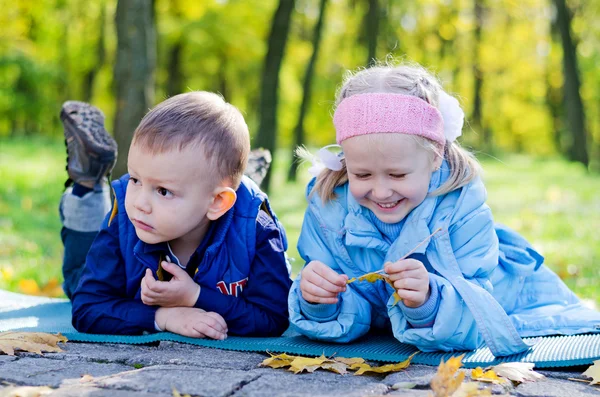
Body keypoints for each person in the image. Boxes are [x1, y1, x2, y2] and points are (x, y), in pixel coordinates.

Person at [288, 64, 600, 357]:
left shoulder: (462, 207)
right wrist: (319, 301)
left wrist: (428, 302)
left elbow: (478, 310)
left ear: (435, 156)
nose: (381, 191)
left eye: (397, 175)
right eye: (362, 175)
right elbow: (347, 307)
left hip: (499, 289)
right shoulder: (328, 209)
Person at [60, 92, 292, 339]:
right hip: (119, 264)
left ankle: (239, 180)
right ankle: (88, 184)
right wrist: (163, 317)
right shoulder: (128, 215)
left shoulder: (257, 228)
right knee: (78, 276)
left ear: (217, 202)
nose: (140, 203)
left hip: (227, 211)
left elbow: (273, 317)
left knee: (225, 202)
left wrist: (194, 296)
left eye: (163, 191)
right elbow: (87, 306)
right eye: (135, 179)